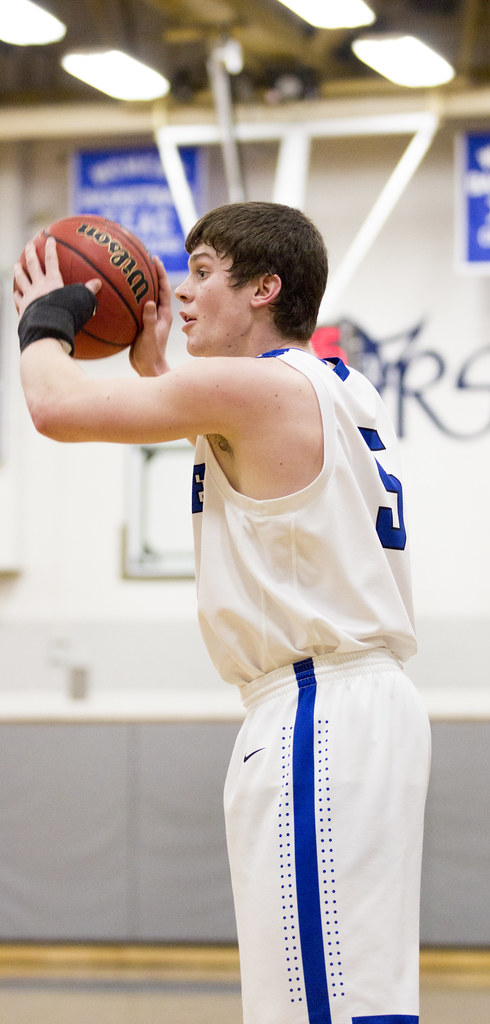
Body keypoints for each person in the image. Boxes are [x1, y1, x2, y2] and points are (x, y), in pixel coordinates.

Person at [14, 201, 431, 1024]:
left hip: (318, 710)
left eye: (204, 271)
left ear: (265, 288)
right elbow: (212, 414)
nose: (182, 289)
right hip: (346, 706)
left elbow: (57, 407)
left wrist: (45, 317)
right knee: (336, 995)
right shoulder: (328, 386)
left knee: (326, 1005)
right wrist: (154, 367)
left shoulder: (257, 389)